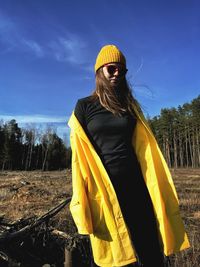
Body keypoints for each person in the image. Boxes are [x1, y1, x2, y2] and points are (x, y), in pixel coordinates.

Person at [68, 44, 190, 267]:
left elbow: (143, 147)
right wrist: (81, 202)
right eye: (112, 69)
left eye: (121, 71)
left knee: (149, 247)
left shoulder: (129, 106)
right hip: (104, 191)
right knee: (114, 253)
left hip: (136, 186)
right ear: (99, 71)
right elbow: (79, 160)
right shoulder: (84, 107)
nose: (117, 74)